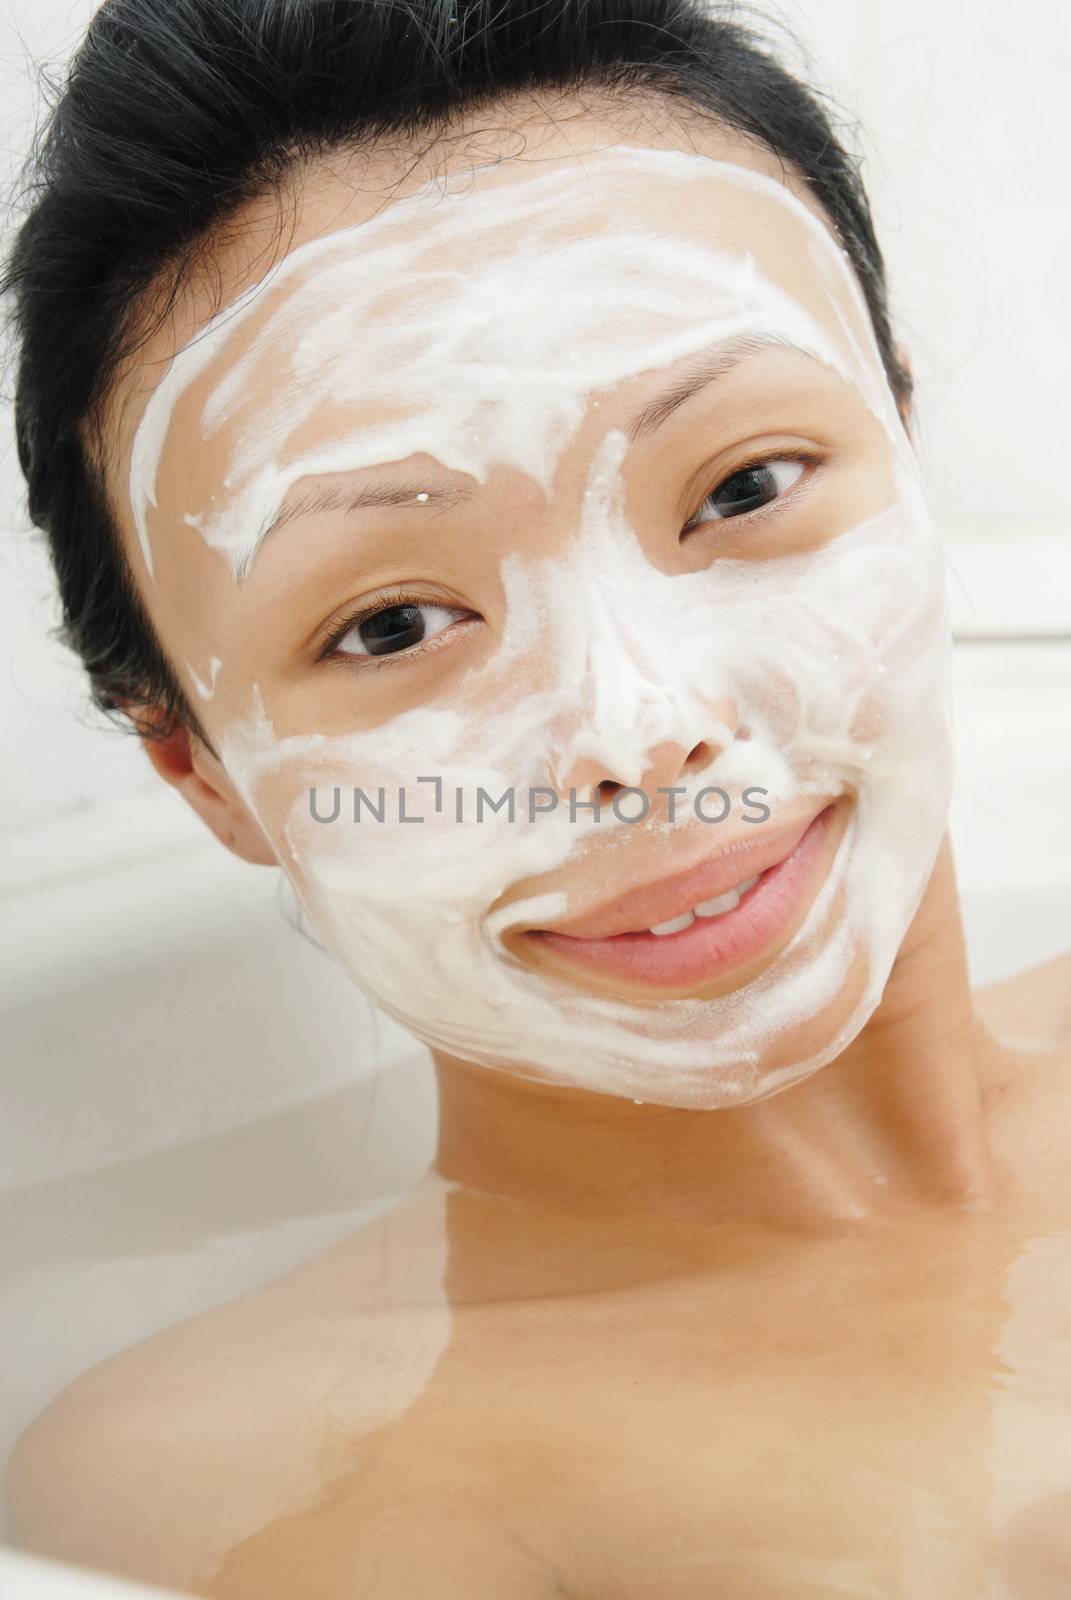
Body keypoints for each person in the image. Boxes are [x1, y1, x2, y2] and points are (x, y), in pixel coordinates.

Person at [4, 2, 1070, 1595]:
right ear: (202, 770)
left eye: (741, 487)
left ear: (905, 449)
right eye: (389, 625)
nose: (638, 731)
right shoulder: (266, 1489)